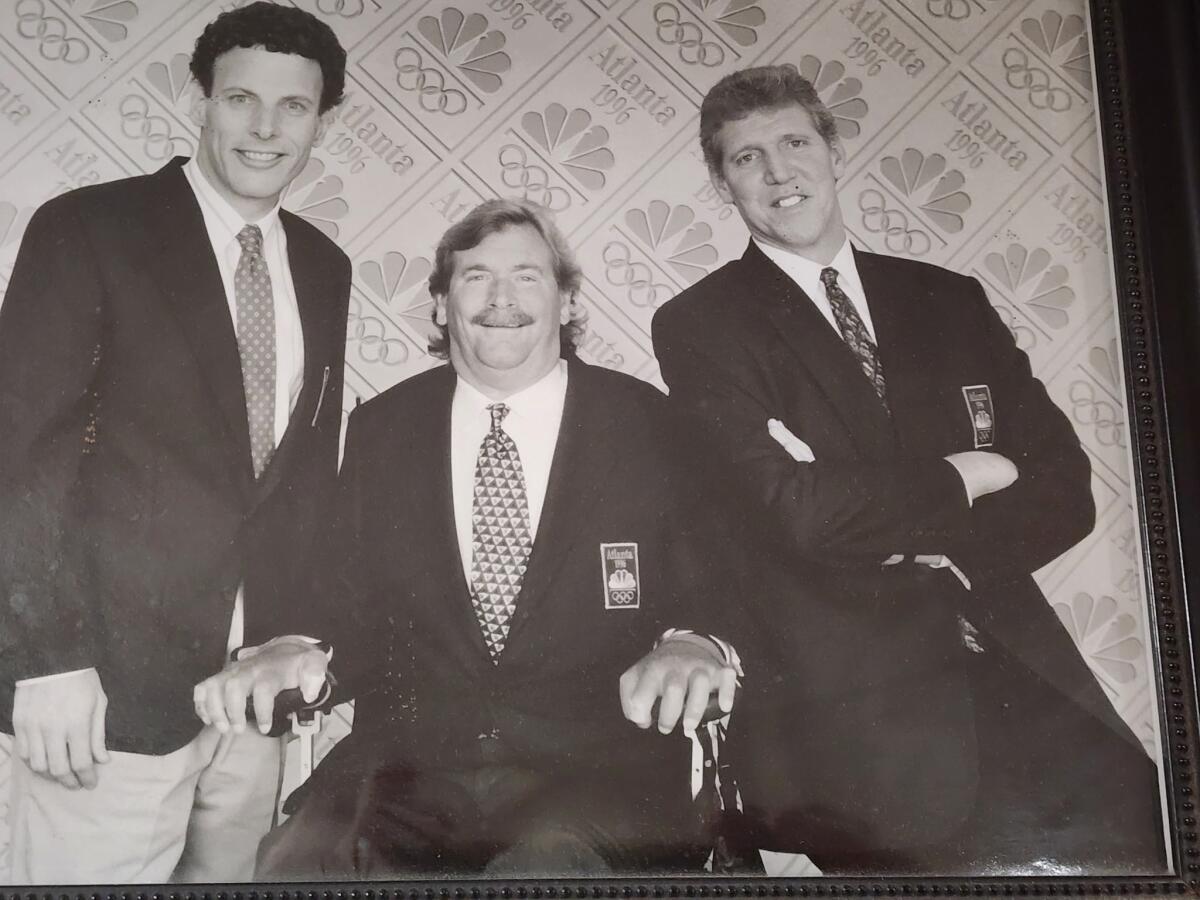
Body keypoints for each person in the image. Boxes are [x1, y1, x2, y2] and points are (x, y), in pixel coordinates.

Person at [651, 64, 1165, 876]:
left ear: (831, 148)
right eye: (748, 158)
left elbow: (1065, 486)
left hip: (1017, 660)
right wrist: (969, 471)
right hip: (855, 704)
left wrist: (946, 549)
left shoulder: (948, 299)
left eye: (794, 141)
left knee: (1146, 842)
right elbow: (798, 512)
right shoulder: (700, 325)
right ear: (723, 183)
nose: (780, 171)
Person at [192, 198, 739, 879]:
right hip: (407, 770)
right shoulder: (382, 430)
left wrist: (694, 640)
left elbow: (714, 582)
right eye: (475, 276)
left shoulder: (646, 423)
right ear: (443, 306)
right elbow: (346, 607)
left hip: (594, 772)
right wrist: (293, 648)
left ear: (568, 303)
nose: (501, 297)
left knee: (548, 870)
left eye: (528, 276)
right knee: (301, 862)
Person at [0, 2, 350, 883]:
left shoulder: (322, 265)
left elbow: (301, 477)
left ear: (321, 121)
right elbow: (20, 455)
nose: (265, 128)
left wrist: (293, 640)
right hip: (101, 696)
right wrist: (47, 663)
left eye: (293, 107)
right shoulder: (90, 227)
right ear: (202, 100)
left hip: (245, 704)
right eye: (241, 99)